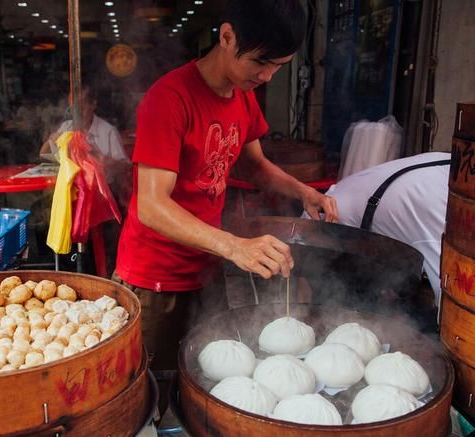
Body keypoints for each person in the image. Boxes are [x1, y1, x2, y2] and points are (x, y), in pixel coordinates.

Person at [113, 0, 338, 415]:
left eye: (280, 66)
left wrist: (303, 191)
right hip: (155, 279)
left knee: (207, 381)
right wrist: (235, 247)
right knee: (151, 393)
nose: (267, 75)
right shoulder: (170, 99)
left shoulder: (241, 95)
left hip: (207, 264)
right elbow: (150, 205)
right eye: (261, 62)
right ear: (227, 36)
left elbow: (255, 166)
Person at [311, 152, 450, 306]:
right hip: (328, 229)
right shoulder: (443, 208)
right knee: (333, 310)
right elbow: (447, 295)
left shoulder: (452, 169)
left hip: (349, 212)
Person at [39, 82, 129, 186]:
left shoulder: (108, 131)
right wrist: (51, 139)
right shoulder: (67, 127)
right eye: (72, 107)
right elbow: (42, 154)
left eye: (81, 106)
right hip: (72, 189)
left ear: (93, 104)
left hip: (102, 191)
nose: (76, 112)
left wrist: (106, 162)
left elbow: (125, 165)